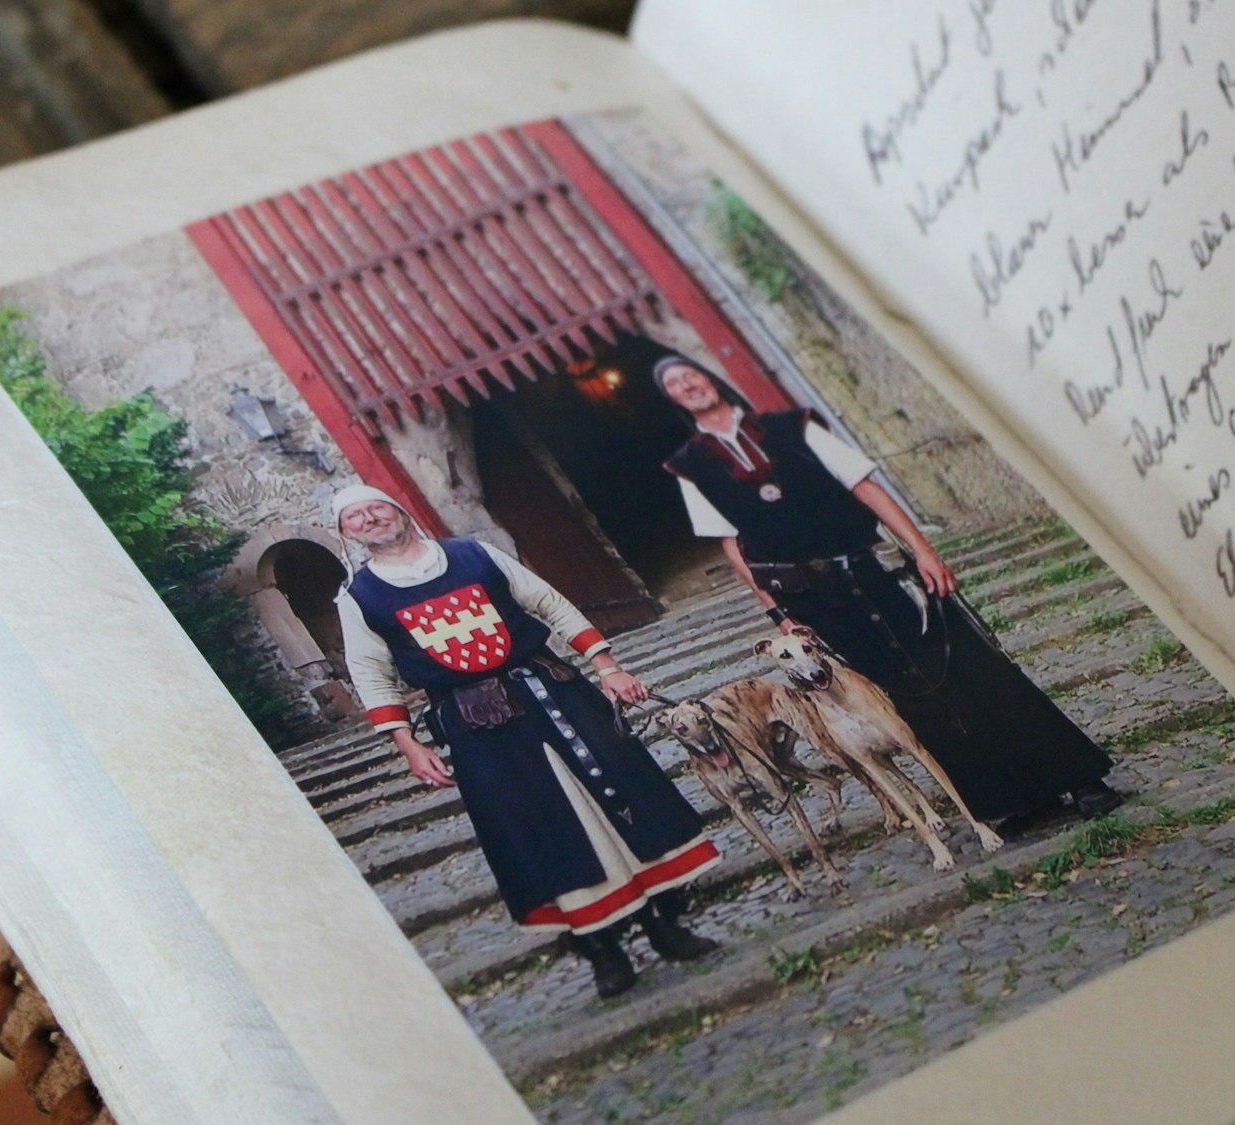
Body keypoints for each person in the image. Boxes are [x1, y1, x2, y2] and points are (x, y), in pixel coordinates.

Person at [655, 355, 1123, 831]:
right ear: (671, 399)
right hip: (817, 600)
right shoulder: (691, 466)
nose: (687, 384)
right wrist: (777, 612)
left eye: (689, 373)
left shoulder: (790, 427)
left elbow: (866, 487)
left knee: (974, 671)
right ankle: (1013, 800)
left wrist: (924, 551)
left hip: (876, 571)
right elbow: (734, 545)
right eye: (674, 383)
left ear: (710, 377)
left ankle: (1081, 780)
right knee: (905, 698)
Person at [330, 483, 719, 999]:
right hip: (477, 725)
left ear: (399, 510)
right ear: (345, 533)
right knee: (539, 828)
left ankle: (665, 924)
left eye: (376, 507)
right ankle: (601, 948)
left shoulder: (472, 554)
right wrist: (407, 743)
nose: (370, 519)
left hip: (556, 692)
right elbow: (370, 674)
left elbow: (549, 604)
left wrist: (606, 665)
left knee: (624, 798)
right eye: (355, 517)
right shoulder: (360, 599)